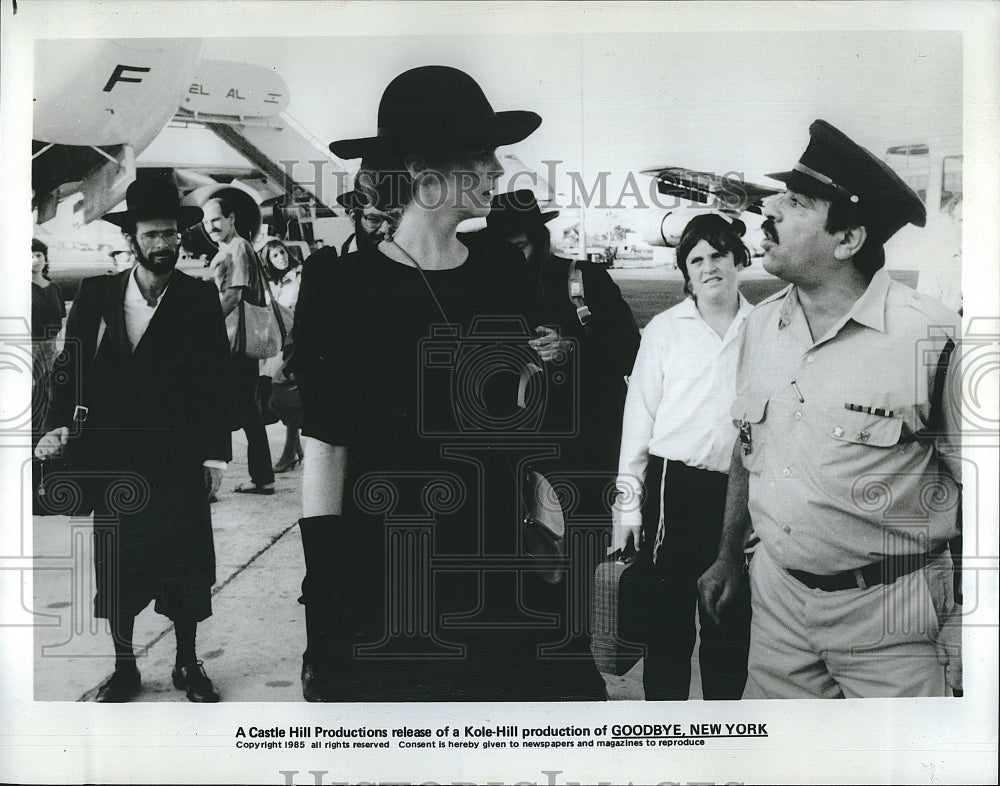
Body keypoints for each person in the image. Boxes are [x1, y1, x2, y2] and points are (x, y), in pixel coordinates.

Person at [294, 64, 607, 702]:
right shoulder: (339, 286)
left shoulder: (502, 269)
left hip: (501, 562)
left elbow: (529, 419)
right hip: (390, 565)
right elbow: (326, 448)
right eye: (482, 156)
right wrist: (326, 594)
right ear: (422, 170)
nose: (497, 172)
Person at [697, 120, 963, 699]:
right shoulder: (762, 325)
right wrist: (726, 556)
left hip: (895, 619)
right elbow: (748, 447)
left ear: (847, 240)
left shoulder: (932, 335)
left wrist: (974, 624)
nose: (767, 212)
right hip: (778, 615)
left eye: (793, 203)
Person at [35, 178, 231, 702]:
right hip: (113, 456)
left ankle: (188, 663)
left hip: (178, 457)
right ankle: (124, 666)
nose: (164, 244)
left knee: (187, 564)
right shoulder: (99, 294)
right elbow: (69, 364)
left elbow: (217, 376)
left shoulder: (198, 294)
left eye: (170, 234)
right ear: (133, 239)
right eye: (153, 235)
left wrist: (216, 455)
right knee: (118, 565)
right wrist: (54, 425)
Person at [613, 212, 753, 700]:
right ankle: (664, 735)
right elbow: (639, 421)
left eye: (718, 254)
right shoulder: (665, 329)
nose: (709, 266)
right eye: (696, 260)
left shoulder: (764, 327)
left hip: (742, 494)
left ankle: (720, 734)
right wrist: (627, 509)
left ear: (740, 259)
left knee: (729, 623)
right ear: (686, 274)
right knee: (668, 629)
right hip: (677, 490)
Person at [204, 197, 275, 495]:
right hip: (234, 340)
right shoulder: (229, 248)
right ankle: (260, 476)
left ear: (231, 217)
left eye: (216, 220)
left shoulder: (239, 247)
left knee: (239, 407)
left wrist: (205, 326)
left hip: (235, 341)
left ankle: (257, 477)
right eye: (207, 223)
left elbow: (234, 296)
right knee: (244, 408)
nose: (212, 227)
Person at [260, 238, 304, 473]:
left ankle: (289, 453)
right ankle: (295, 449)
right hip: (276, 344)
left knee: (285, 397)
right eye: (275, 255)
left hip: (293, 344)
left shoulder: (297, 277)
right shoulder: (271, 283)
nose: (281, 257)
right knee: (276, 400)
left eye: (283, 252)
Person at [337, 184, 399, 255]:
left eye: (392, 220)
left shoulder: (405, 261)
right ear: (354, 218)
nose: (385, 230)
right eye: (374, 220)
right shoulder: (331, 262)